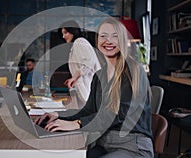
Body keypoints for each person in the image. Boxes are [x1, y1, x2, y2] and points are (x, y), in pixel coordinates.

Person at [35, 17, 153, 157]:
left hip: (132, 145)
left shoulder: (134, 71)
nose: (108, 41)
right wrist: (59, 114)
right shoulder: (100, 75)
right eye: (103, 36)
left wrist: (77, 124)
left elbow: (119, 113)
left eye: (114, 36)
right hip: (103, 143)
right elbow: (88, 110)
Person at [58, 20, 101, 108]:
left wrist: (74, 77)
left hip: (88, 87)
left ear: (72, 31)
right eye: (62, 33)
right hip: (83, 87)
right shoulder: (76, 44)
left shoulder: (80, 42)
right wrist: (73, 79)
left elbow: (88, 62)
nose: (63, 36)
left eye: (65, 33)